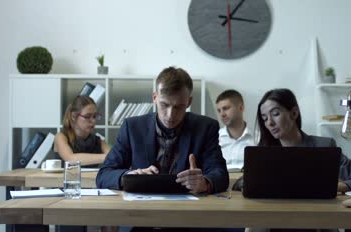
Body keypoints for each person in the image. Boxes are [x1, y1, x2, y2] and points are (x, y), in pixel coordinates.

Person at [96, 66, 229, 232]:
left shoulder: (205, 127)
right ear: (154, 98)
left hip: (189, 222)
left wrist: (205, 183)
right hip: (143, 221)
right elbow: (104, 174)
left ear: (189, 102)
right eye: (164, 105)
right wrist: (128, 177)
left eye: (179, 107)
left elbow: (220, 174)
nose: (170, 114)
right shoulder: (132, 127)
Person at [242, 88, 351, 232]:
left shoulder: (323, 147)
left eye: (275, 114)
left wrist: (334, 187)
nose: (269, 123)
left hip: (316, 222)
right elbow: (243, 184)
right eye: (264, 118)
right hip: (275, 222)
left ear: (294, 113)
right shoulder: (263, 154)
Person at [55, 95, 111, 167]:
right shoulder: (61, 137)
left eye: (94, 116)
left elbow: (115, 157)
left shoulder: (98, 141)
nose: (93, 121)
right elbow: (71, 159)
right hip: (66, 178)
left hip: (90, 178)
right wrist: (108, 157)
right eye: (87, 116)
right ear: (73, 116)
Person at [216, 89, 255, 171]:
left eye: (226, 108)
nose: (222, 114)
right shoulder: (214, 139)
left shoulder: (258, 138)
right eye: (219, 110)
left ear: (241, 108)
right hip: (222, 183)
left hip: (250, 183)